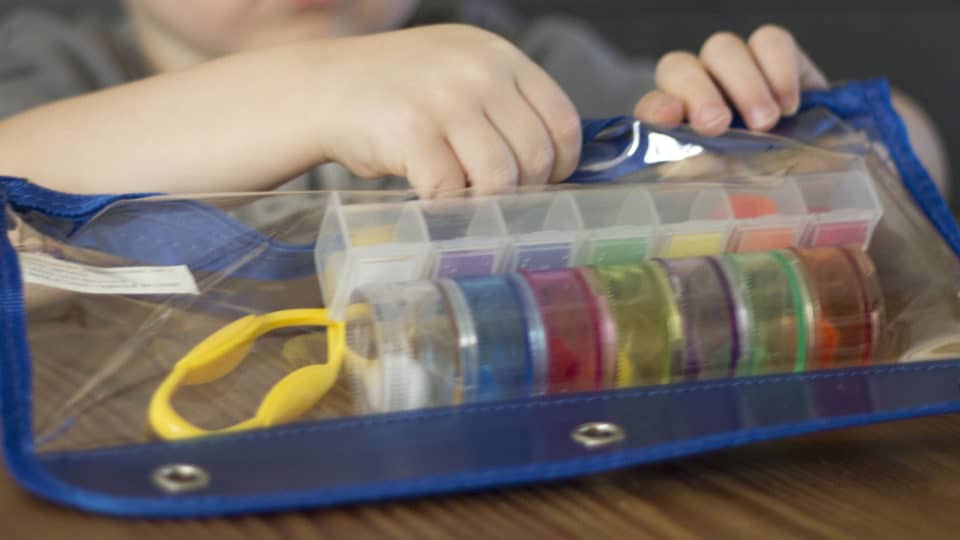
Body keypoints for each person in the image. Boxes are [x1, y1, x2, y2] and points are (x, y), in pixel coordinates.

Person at [0, 0, 948, 202]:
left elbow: (912, 149)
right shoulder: (51, 65)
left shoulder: (516, 60)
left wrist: (804, 140)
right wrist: (312, 89)